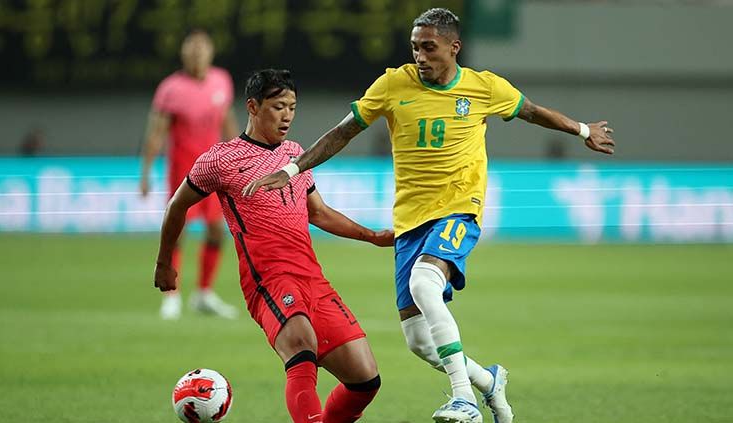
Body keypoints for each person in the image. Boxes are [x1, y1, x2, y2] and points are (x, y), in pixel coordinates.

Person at [243, 8, 615, 423]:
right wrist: (294, 169)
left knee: (425, 283)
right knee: (419, 340)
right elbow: (342, 131)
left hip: (458, 210)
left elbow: (532, 111)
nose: (420, 56)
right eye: (415, 47)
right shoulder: (392, 84)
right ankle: (488, 381)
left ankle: (464, 399)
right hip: (410, 224)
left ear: (454, 47)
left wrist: (582, 130)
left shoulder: (482, 87)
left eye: (429, 47)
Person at [154, 69, 393, 423]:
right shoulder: (221, 159)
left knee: (365, 379)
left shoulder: (296, 156)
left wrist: (371, 236)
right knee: (301, 345)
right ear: (253, 106)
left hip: (312, 279)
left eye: (292, 107)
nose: (287, 116)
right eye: (278, 106)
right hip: (268, 280)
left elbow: (319, 213)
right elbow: (177, 205)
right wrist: (164, 263)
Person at [141, 29, 240, 320]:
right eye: (192, 48)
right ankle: (171, 295)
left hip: (216, 171)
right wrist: (145, 173)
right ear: (184, 53)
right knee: (177, 231)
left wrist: (242, 158)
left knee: (216, 231)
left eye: (202, 48)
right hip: (183, 171)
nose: (197, 54)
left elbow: (227, 122)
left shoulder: (221, 81)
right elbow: (156, 133)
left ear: (210, 53)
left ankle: (204, 293)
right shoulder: (171, 88)